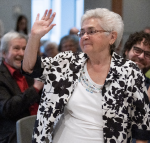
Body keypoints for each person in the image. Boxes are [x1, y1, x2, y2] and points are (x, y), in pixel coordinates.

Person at [22, 9, 150, 143]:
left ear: (112, 37)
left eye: (91, 31)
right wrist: (34, 37)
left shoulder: (129, 71)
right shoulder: (67, 62)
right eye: (82, 32)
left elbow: (141, 126)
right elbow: (29, 67)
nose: (85, 36)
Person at [0, 31, 44, 143]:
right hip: (13, 136)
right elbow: (7, 109)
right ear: (4, 53)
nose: (22, 53)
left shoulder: (30, 71)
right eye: (16, 48)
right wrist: (35, 89)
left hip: (39, 130)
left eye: (25, 49)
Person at [123, 31, 150, 101]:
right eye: (137, 50)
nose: (141, 56)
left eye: (148, 54)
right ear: (127, 50)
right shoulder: (108, 76)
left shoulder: (148, 86)